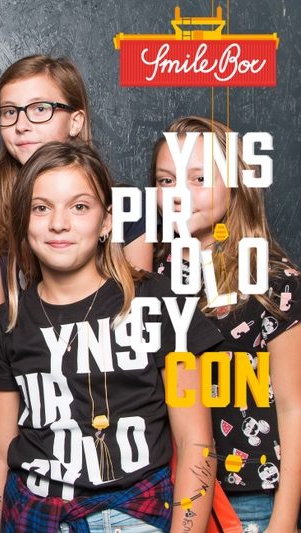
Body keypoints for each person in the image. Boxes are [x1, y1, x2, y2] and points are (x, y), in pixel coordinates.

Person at [0, 141, 223, 533]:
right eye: (41, 208)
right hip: (34, 516)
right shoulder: (8, 322)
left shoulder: (160, 302)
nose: (59, 223)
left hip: (135, 516)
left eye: (80, 207)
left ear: (106, 222)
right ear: (23, 222)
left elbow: (196, 443)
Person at [151, 116, 301, 532]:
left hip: (248, 499)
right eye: (166, 180)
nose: (179, 193)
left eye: (199, 178)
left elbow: (294, 408)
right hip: (165, 494)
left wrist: (284, 519)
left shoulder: (273, 282)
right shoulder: (148, 279)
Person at [0, 54, 153, 333]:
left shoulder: (127, 204)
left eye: (40, 109)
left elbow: (140, 318)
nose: (21, 125)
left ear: (75, 122)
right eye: (9, 112)